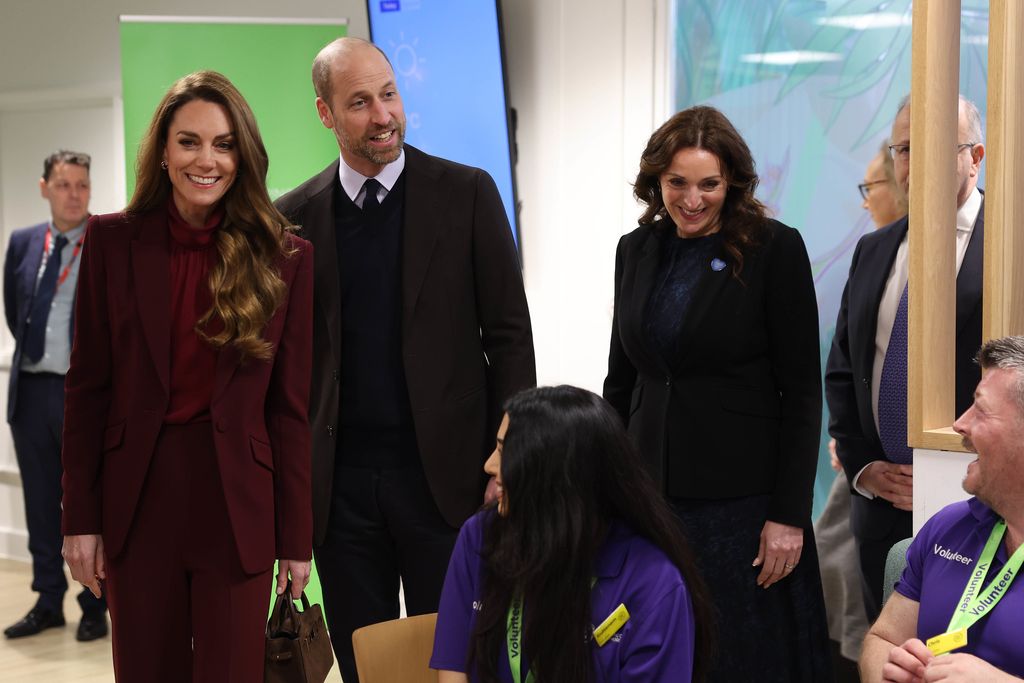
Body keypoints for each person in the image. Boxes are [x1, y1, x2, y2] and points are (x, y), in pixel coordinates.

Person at [275, 37, 535, 682]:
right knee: (367, 664)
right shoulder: (292, 220)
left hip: (446, 483)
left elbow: (509, 338)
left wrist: (512, 460)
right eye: (359, 102)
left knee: (455, 663)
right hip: (341, 497)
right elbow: (285, 371)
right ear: (325, 114)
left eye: (388, 94)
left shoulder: (467, 194)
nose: (382, 114)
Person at [60, 71, 314, 681]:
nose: (207, 160)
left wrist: (296, 539)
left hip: (238, 509)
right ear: (163, 151)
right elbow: (87, 391)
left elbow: (289, 408)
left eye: (224, 144)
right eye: (189, 141)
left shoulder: (285, 257)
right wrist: (80, 521)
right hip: (138, 501)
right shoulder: (111, 241)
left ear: (243, 154)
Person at [603, 105, 829, 681]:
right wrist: (604, 488)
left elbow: (803, 394)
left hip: (744, 513)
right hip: (650, 500)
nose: (693, 199)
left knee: (741, 660)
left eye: (709, 184)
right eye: (677, 182)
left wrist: (789, 516)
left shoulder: (774, 249)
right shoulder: (635, 250)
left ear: (732, 183)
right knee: (662, 655)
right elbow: (619, 381)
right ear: (656, 180)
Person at [825, 94, 985, 622]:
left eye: (938, 147)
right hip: (880, 512)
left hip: (979, 507)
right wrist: (863, 468)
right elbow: (844, 371)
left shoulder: (1009, 245)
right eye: (906, 149)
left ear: (975, 156)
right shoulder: (875, 250)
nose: (917, 165)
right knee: (889, 659)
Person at [431, 385, 713, 683]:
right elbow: (454, 666)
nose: (489, 465)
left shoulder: (654, 585)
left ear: (553, 482)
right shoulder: (481, 536)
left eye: (504, 453)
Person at [860, 336, 1024, 682]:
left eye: (980, 409)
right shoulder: (950, 527)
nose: (959, 424)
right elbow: (883, 639)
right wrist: (891, 672)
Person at [3, 150, 108, 641]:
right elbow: (15, 309)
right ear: (44, 188)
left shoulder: (106, 239)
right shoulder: (23, 243)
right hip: (32, 392)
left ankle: (93, 603)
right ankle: (48, 599)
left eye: (82, 185)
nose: (75, 195)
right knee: (41, 503)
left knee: (83, 502)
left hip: (81, 396)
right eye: (64, 185)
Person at [815, 139, 908, 671]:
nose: (866, 200)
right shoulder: (872, 255)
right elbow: (845, 365)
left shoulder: (986, 250)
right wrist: (856, 453)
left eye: (869, 187)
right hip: (869, 482)